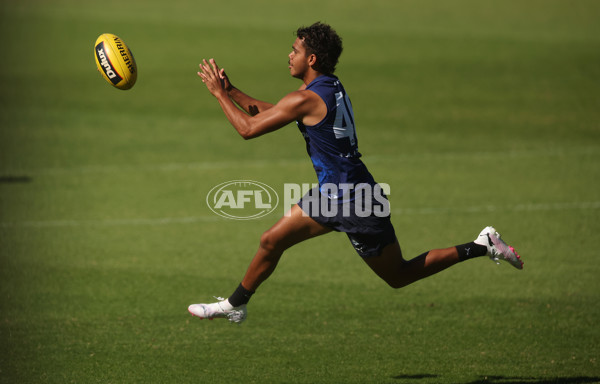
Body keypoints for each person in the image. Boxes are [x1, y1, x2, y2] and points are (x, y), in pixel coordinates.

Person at [189, 22, 522, 324]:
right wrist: (231, 91)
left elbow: (248, 129)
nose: (289, 55)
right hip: (336, 193)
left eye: (295, 50)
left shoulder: (303, 98)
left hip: (354, 199)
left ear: (313, 59)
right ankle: (236, 304)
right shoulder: (328, 87)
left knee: (399, 275)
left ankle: (482, 244)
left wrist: (219, 95)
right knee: (271, 240)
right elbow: (276, 113)